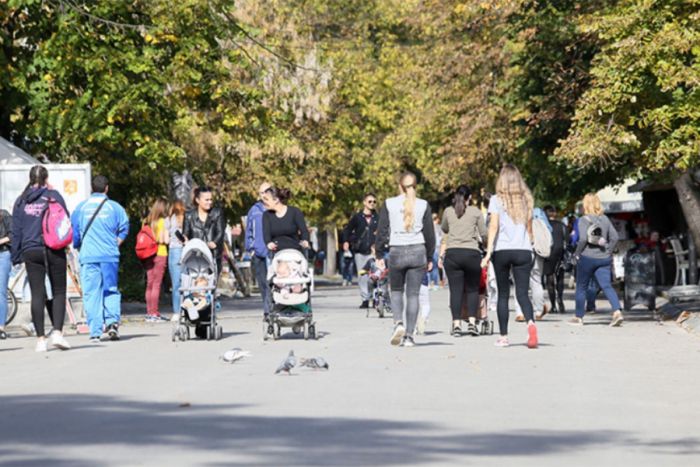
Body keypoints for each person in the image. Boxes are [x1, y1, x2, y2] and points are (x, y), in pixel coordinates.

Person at [10, 165, 71, 352]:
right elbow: (65, 220)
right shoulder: (54, 196)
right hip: (54, 248)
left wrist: (16, 255)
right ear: (46, 178)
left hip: (31, 249)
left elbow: (16, 230)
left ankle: (40, 340)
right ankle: (58, 334)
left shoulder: (21, 201)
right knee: (59, 290)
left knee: (38, 293)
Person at [481, 164, 538, 349]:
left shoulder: (496, 200)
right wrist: (531, 245)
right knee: (522, 293)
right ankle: (531, 324)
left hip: (502, 251)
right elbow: (530, 229)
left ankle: (504, 337)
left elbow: (493, 226)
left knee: (503, 294)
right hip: (523, 250)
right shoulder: (527, 200)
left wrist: (488, 251)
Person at [375, 172, 435, 347]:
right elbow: (429, 233)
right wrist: (430, 256)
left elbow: (382, 230)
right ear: (415, 186)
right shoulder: (423, 205)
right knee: (413, 295)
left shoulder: (389, 204)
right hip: (418, 250)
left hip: (397, 250)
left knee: (396, 290)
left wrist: (379, 254)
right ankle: (409, 336)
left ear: (400, 186)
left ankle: (398, 323)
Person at [71, 175, 129, 341]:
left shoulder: (81, 207)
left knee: (91, 293)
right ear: (107, 188)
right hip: (110, 255)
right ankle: (112, 324)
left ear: (91, 188)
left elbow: (75, 231)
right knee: (110, 289)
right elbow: (124, 227)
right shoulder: (115, 207)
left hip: (89, 256)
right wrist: (116, 243)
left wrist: (77, 245)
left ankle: (95, 331)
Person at [439, 185, 487, 337]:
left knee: (456, 291)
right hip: (471, 254)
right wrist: (486, 247)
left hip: (453, 254)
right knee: (472, 290)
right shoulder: (476, 212)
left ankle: (456, 324)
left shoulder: (448, 211)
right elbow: (484, 234)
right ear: (470, 197)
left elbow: (444, 228)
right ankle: (472, 323)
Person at [571, 193, 624, 326]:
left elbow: (583, 239)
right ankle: (617, 311)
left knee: (581, 287)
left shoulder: (583, 220)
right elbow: (615, 237)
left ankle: (579, 317)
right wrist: (608, 251)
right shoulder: (605, 219)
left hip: (587, 258)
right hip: (604, 258)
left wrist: (577, 253)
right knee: (606, 285)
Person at [342, 193, 379, 309]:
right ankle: (365, 299)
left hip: (374, 252)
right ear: (364, 203)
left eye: (374, 202)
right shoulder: (357, 217)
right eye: (370, 201)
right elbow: (347, 229)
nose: (372, 204)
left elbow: (384, 231)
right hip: (360, 251)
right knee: (362, 276)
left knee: (374, 276)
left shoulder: (378, 218)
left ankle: (374, 298)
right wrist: (346, 241)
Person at [183, 186, 226, 274]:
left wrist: (215, 242)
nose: (209, 202)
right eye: (206, 200)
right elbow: (186, 232)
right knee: (196, 285)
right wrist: (185, 239)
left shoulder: (217, 213)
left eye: (211, 199)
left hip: (213, 255)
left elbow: (220, 232)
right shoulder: (189, 215)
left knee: (210, 285)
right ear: (197, 200)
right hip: (195, 257)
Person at [245, 182, 272, 318]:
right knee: (263, 283)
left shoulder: (276, 208)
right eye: (261, 193)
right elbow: (249, 229)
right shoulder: (254, 210)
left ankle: (275, 307)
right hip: (259, 252)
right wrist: (250, 248)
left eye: (266, 191)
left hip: (273, 252)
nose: (264, 195)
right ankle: (267, 309)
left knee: (274, 282)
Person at [261, 187, 310, 254]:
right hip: (277, 254)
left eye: (266, 199)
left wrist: (305, 241)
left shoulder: (295, 212)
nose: (264, 202)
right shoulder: (266, 215)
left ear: (276, 200)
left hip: (295, 252)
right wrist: (269, 243)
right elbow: (266, 236)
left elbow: (304, 231)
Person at [143, 198, 169, 322]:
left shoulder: (146, 221)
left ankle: (149, 313)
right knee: (157, 284)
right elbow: (164, 240)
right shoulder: (163, 222)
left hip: (148, 254)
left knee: (150, 284)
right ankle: (154, 313)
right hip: (160, 253)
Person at [542, 205, 567, 314]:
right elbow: (568, 240)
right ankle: (560, 299)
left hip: (548, 253)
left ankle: (553, 305)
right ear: (554, 213)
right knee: (560, 277)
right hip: (560, 253)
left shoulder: (543, 226)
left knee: (549, 278)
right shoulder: (562, 225)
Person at [166, 200, 186, 321]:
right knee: (188, 281)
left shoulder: (169, 219)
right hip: (187, 249)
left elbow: (166, 239)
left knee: (176, 283)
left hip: (174, 250)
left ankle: (176, 311)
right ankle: (188, 309)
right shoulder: (187, 218)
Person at [0, 208, 12, 339]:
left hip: (3, 254)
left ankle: (1, 327)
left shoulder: (4, 215)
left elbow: (12, 235)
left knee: (1, 291)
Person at [430, 213, 443, 290]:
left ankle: (428, 282)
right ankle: (435, 283)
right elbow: (442, 239)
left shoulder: (427, 227)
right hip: (436, 248)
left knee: (428, 265)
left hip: (429, 248)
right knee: (435, 266)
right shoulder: (438, 227)